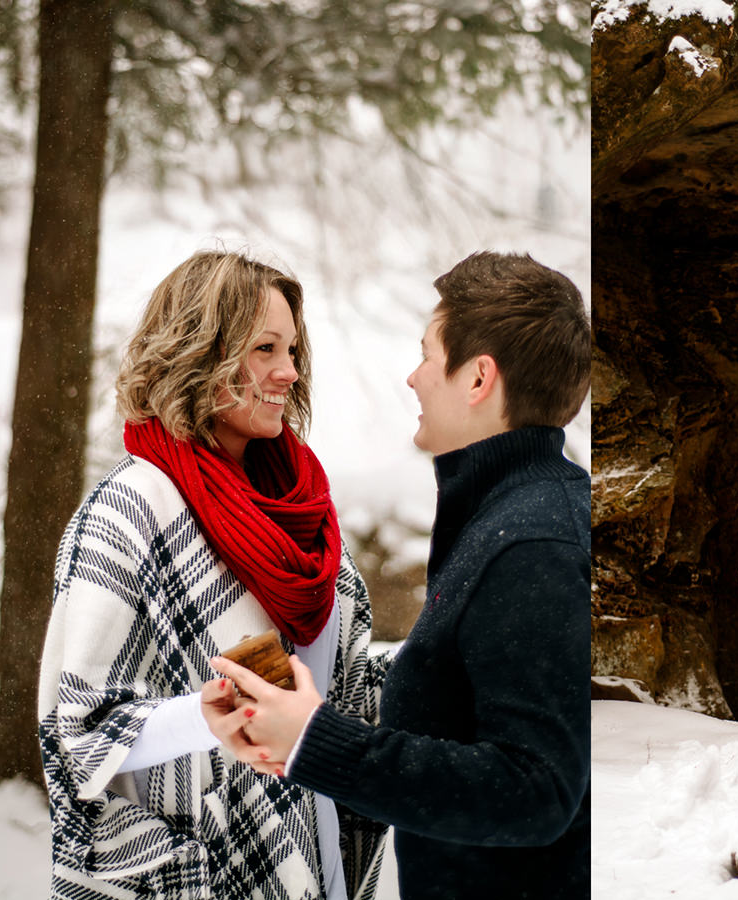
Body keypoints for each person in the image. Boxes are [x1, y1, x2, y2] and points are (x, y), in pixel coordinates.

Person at [207, 250, 592, 899]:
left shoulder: (531, 542)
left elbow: (536, 789)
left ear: (477, 378)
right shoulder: (509, 511)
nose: (412, 378)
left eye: (427, 354)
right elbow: (470, 692)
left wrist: (314, 741)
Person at [37, 250, 389, 899]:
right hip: (211, 874)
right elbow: (78, 733)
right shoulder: (130, 511)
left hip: (325, 863)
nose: (289, 371)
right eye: (264, 349)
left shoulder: (299, 508)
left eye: (292, 349)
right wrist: (202, 717)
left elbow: (339, 687)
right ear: (199, 352)